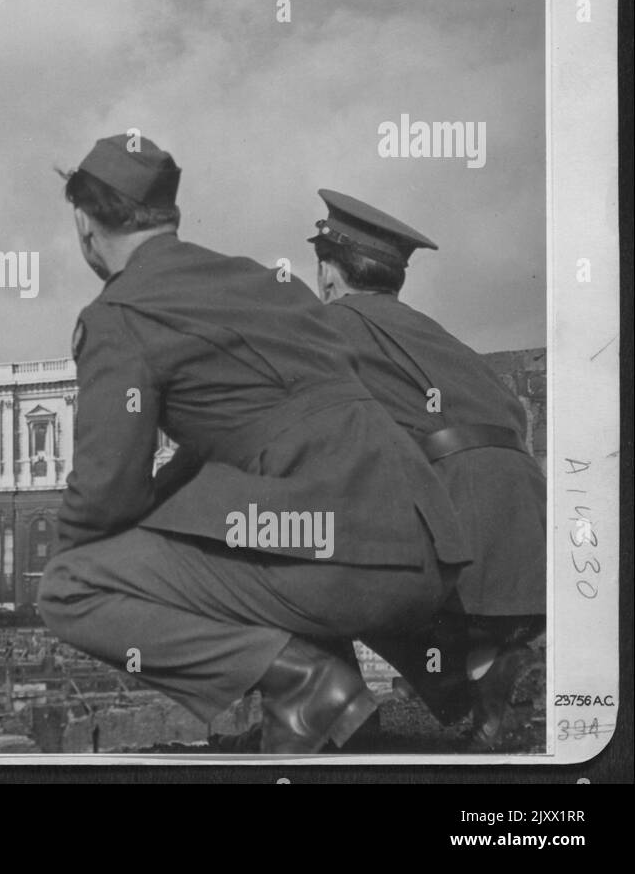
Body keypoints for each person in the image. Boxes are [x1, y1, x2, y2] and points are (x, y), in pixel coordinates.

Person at [38, 133, 472, 753]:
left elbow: (107, 492)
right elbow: (265, 430)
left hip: (343, 563)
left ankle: (306, 687)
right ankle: (342, 710)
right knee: (259, 531)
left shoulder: (121, 315)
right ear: (171, 216)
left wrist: (77, 558)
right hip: (427, 550)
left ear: (83, 221)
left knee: (69, 589)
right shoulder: (264, 282)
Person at [309, 190, 546, 750]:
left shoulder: (329, 326)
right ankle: (482, 676)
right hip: (529, 554)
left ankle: (342, 731)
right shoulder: (441, 339)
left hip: (458, 555)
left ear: (326, 274)